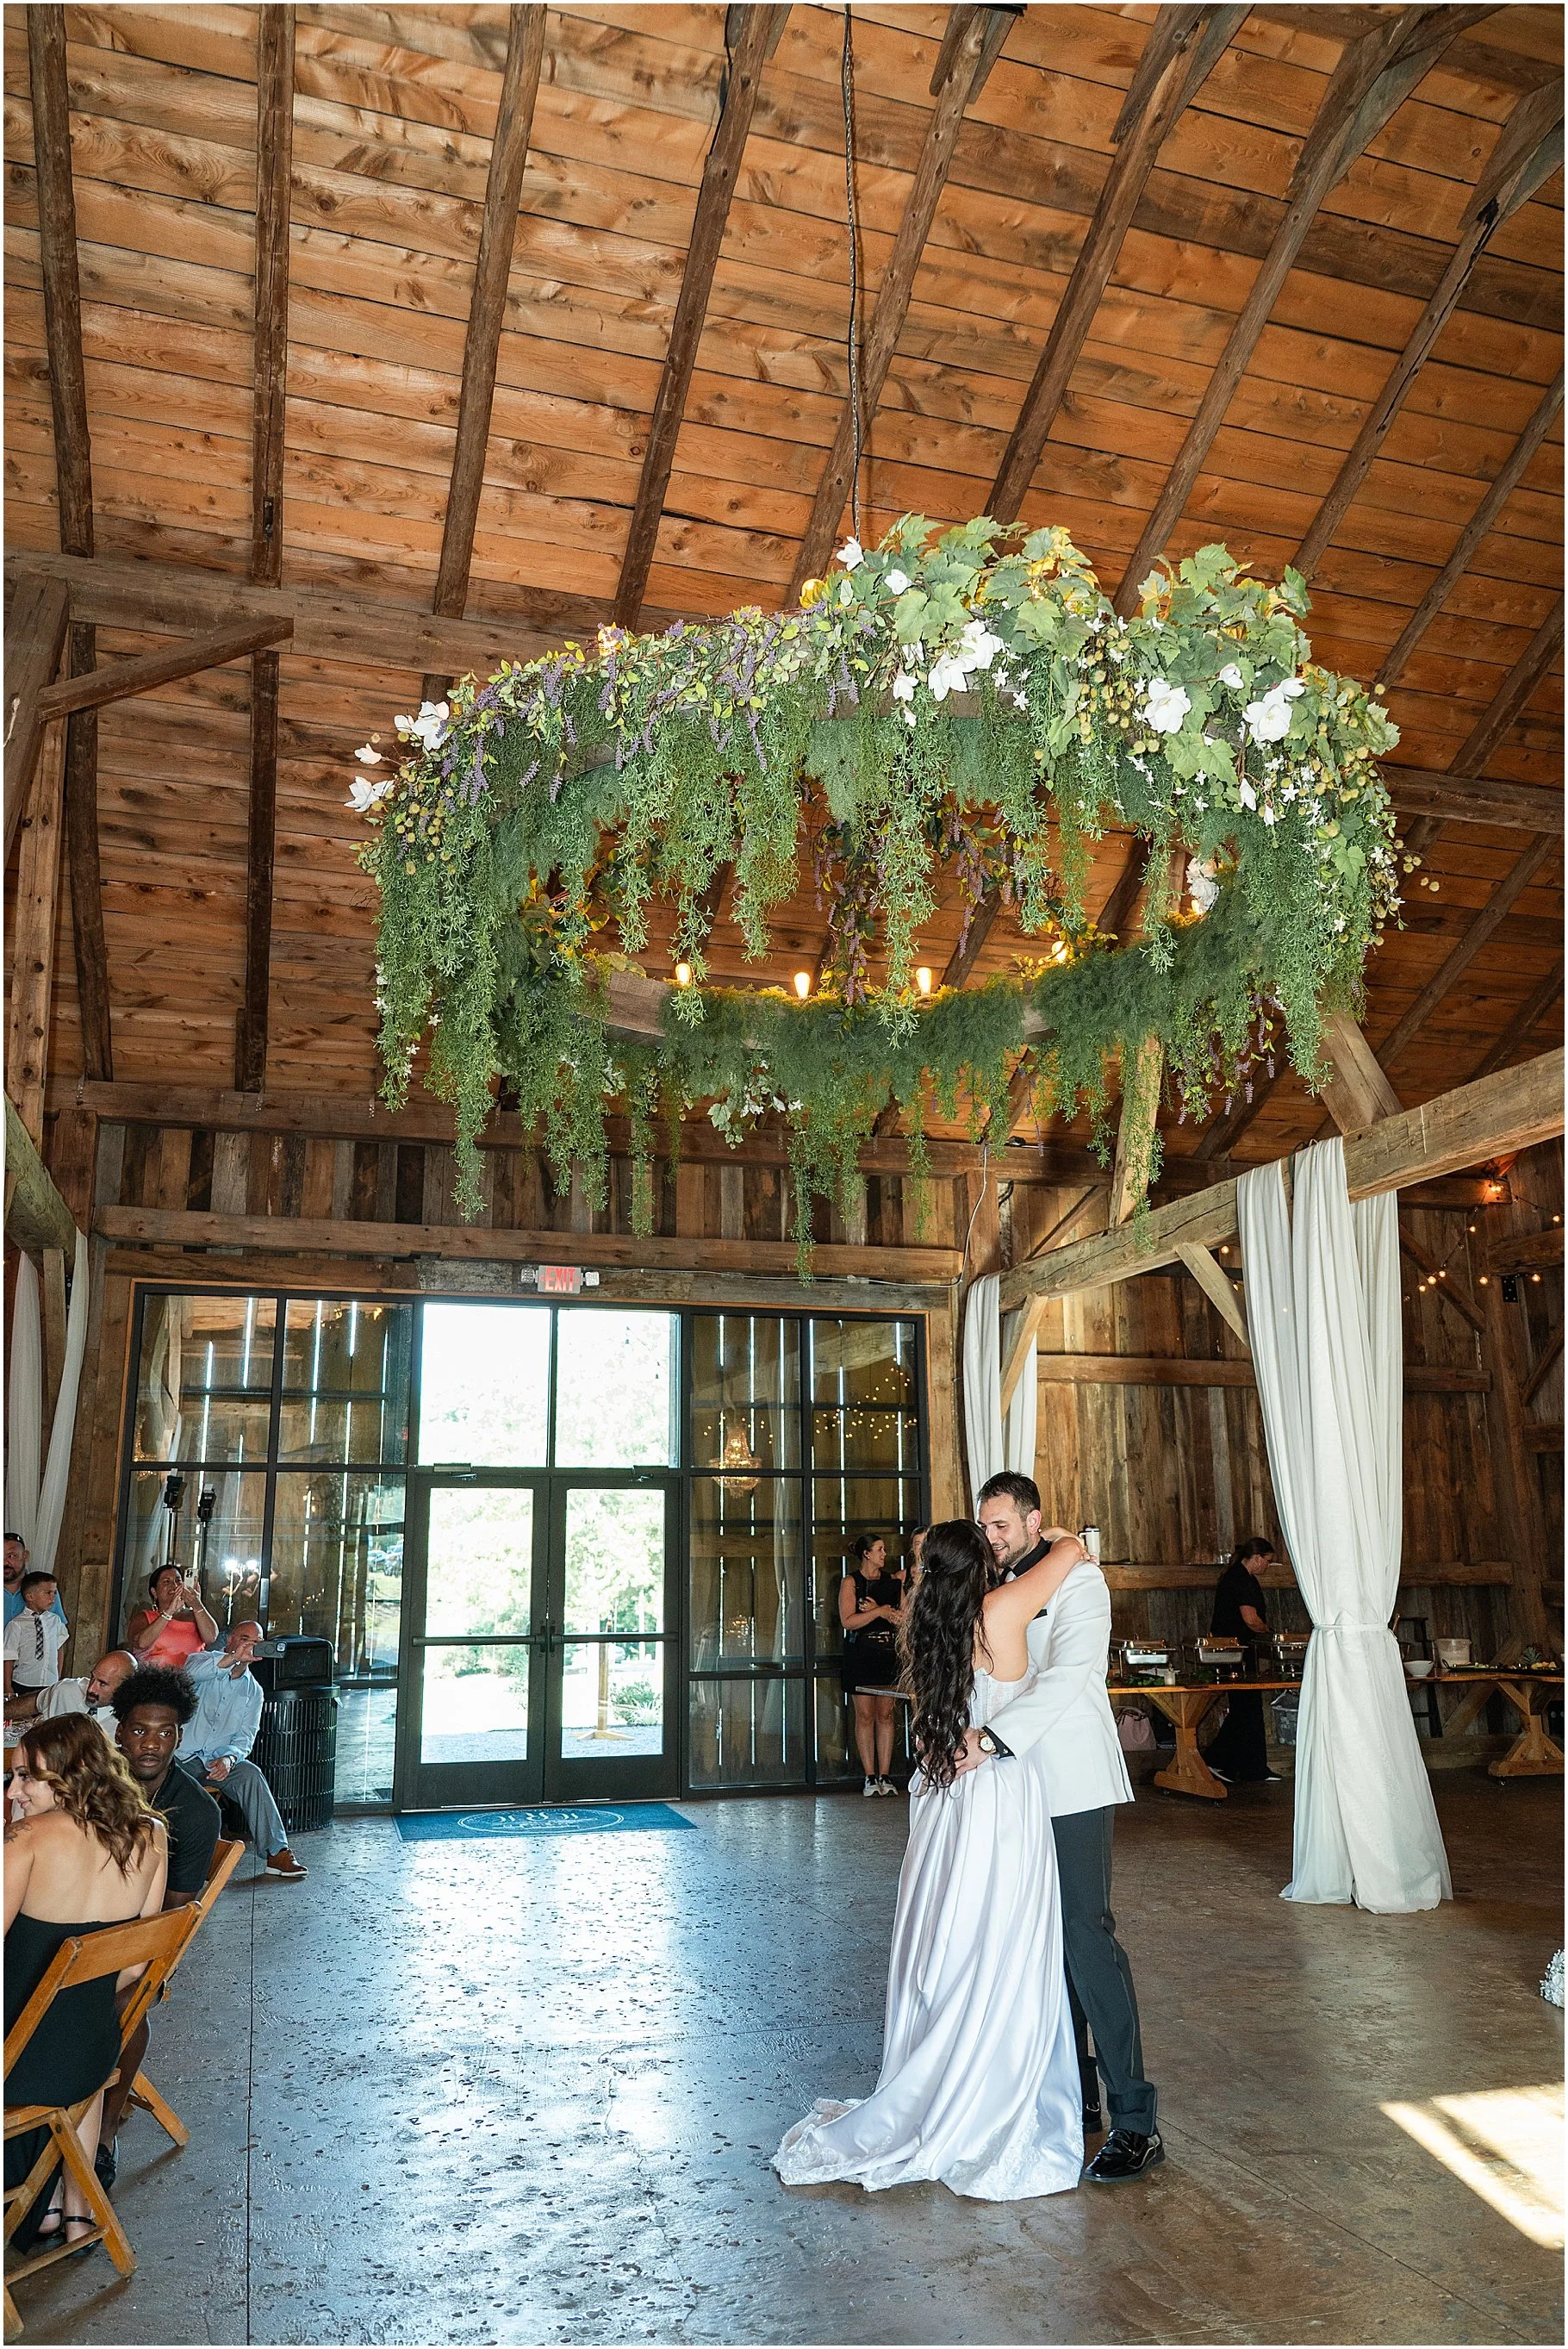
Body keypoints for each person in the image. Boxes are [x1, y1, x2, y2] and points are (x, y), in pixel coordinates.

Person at [775, 1519, 1086, 2200]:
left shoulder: (927, 1621)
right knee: (1000, 1940)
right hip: (998, 1802)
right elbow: (1067, 1556)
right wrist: (1057, 1533)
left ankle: (941, 2071)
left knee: (955, 1940)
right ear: (981, 1565)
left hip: (946, 1807)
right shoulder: (999, 1610)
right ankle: (986, 2086)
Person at [969, 1470, 1161, 2184]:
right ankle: (1071, 2094)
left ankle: (1136, 2119)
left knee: (1085, 1936)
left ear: (1032, 1519)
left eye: (1001, 1524)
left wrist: (991, 1738)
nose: (991, 1536)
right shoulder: (991, 1585)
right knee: (1034, 1942)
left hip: (1071, 1780)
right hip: (1009, 1788)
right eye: (983, 1525)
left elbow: (1070, 1673)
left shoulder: (1080, 1581)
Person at [4, 1713, 167, 2250]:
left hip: (15, 2058)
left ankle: (46, 2204)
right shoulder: (150, 1833)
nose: (14, 1790)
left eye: (27, 1776)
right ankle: (72, 2209)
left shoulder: (28, 1837)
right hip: (94, 2054)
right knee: (74, 2037)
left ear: (69, 1773)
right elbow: (137, 1966)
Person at [96, 1667, 221, 2188]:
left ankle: (103, 2131)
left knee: (126, 2004)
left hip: (145, 1935)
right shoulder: (94, 1785)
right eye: (141, 1730)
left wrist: (128, 1963)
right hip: (79, 1917)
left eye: (166, 1732)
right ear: (119, 1731)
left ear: (180, 1735)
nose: (153, 1744)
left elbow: (173, 1915)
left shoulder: (193, 1811)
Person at [181, 1622, 307, 1879]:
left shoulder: (254, 1691)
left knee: (251, 1774)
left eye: (256, 1642)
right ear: (229, 1641)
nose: (249, 1646)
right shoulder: (202, 1661)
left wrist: (229, 1758)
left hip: (216, 1762)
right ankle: (199, 1857)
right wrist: (233, 1659)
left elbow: (245, 1737)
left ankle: (277, 1852)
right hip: (182, 1757)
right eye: (244, 1639)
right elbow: (193, 1675)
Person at [1204, 1536, 1282, 1785]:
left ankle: (1250, 1767)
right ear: (1257, 1558)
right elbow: (1250, 1619)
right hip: (1236, 1651)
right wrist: (1269, 1634)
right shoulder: (1242, 1580)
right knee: (1245, 1708)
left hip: (1233, 1650)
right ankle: (1216, 1759)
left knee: (1247, 1708)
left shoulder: (1236, 1577)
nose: (1267, 1566)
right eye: (1267, 1561)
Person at [838, 1534, 905, 1797]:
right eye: (879, 1549)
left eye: (884, 1549)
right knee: (865, 1715)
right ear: (866, 1554)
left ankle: (885, 1774)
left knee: (886, 1715)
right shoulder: (851, 1582)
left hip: (888, 1651)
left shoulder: (892, 1582)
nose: (883, 1554)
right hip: (861, 1652)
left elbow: (905, 1618)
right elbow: (848, 1621)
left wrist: (885, 1610)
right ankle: (869, 1776)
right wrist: (877, 1612)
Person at [10, 1649, 137, 1735]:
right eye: (92, 1677)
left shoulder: (133, 1720)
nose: (91, 1688)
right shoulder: (68, 1689)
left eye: (102, 1684)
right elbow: (35, 1702)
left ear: (125, 1688)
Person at [124, 1565, 218, 1669]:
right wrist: (169, 1612)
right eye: (166, 1582)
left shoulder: (196, 1615)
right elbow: (141, 1643)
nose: (174, 1585)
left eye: (178, 1580)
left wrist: (197, 1605)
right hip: (155, 1680)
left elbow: (211, 1638)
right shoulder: (144, 1617)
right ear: (154, 1592)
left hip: (192, 1681)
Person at [3, 1572, 70, 1700]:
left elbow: (59, 1649)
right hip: (23, 1683)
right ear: (30, 1596)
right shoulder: (16, 1625)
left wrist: (57, 1677)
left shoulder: (56, 1621)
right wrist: (7, 1686)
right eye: (47, 1593)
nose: (53, 1598)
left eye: (54, 1593)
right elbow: (8, 1657)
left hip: (49, 1683)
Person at [4, 1533, 65, 1630]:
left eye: (11, 1556)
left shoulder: (44, 1588)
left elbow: (57, 1631)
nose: (4, 1562)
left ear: (25, 1556)